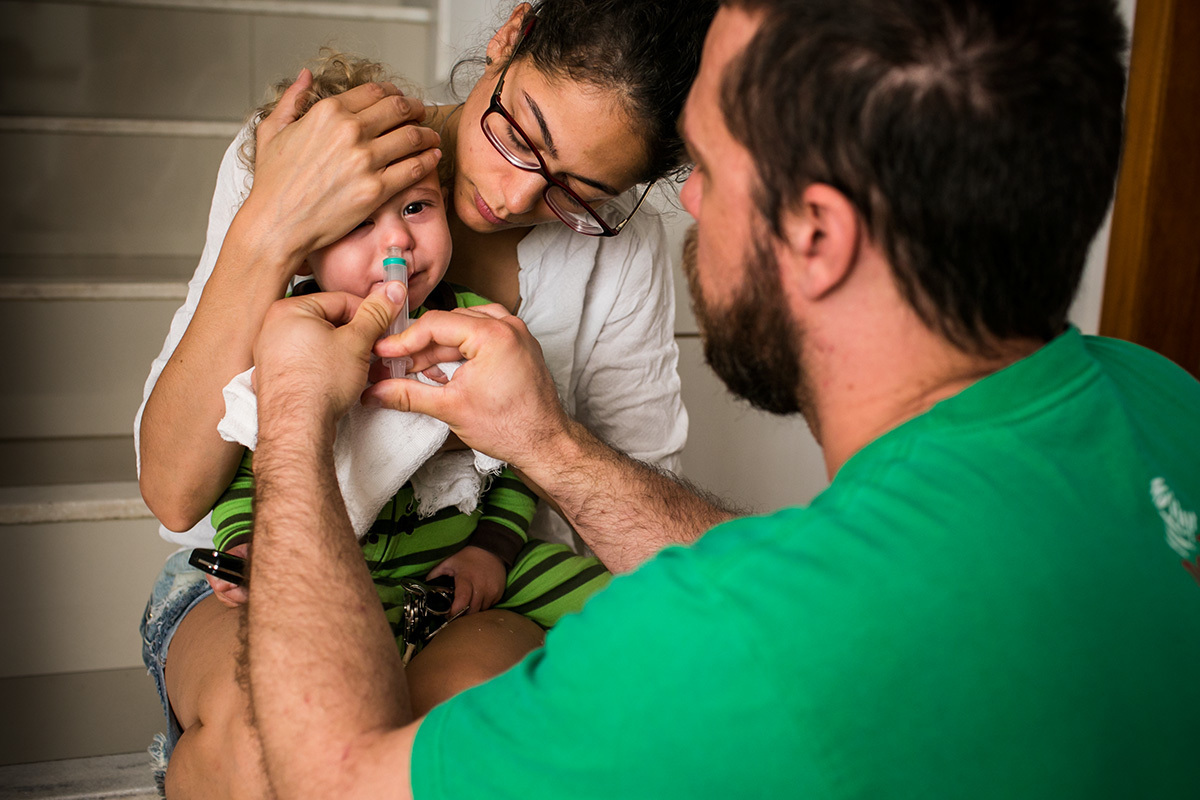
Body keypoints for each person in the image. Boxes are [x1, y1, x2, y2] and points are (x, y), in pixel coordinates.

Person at [240, 0, 1200, 797]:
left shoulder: (746, 648)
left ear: (817, 235)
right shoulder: (1163, 397)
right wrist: (550, 444)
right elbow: (845, 582)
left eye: (710, 161)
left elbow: (332, 781)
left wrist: (292, 407)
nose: (690, 201)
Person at [137, 1, 717, 796]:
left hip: (471, 587)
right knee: (269, 737)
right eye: (522, 135)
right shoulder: (307, 151)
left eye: (578, 193)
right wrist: (268, 226)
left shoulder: (620, 250)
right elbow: (176, 491)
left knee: (458, 734)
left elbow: (647, 544)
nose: (515, 196)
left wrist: (524, 455)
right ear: (509, 37)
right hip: (250, 576)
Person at [207, 53, 610, 634]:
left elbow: (515, 459)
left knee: (618, 599)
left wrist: (490, 553)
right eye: (357, 222)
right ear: (300, 251)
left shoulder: (478, 329)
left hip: (452, 568)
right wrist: (246, 543)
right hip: (327, 568)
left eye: (416, 207)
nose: (398, 238)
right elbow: (245, 458)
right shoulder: (282, 335)